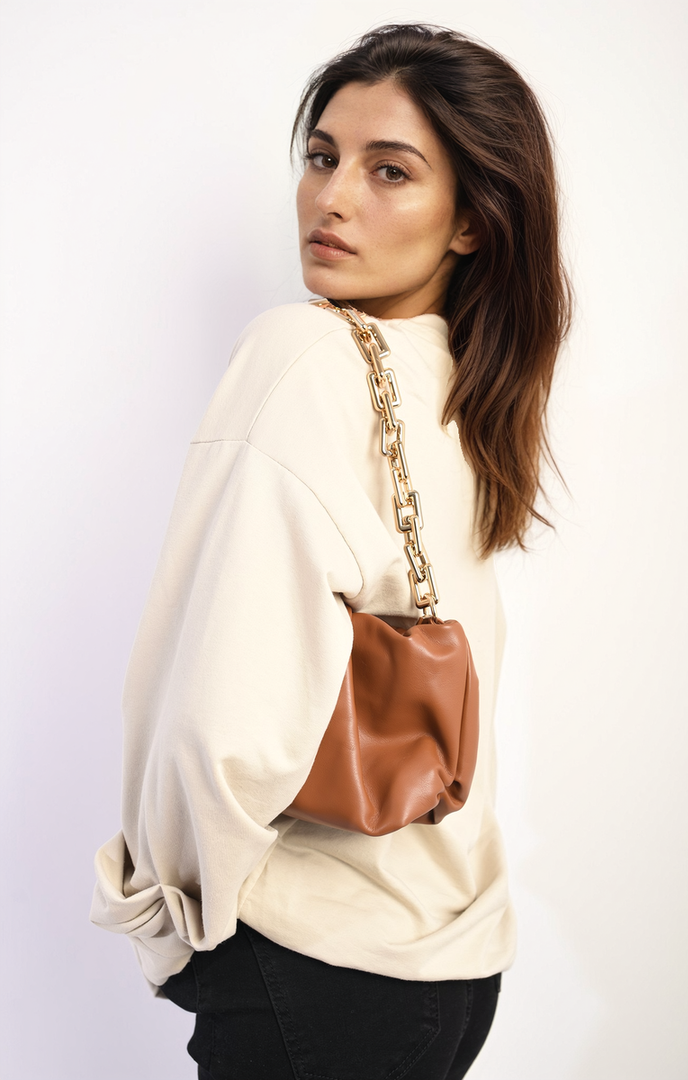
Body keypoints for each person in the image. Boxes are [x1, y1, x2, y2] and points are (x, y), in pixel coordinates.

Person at [91, 23, 571, 1080]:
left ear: (473, 223)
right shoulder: (473, 392)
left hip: (312, 970)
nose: (331, 197)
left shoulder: (302, 353)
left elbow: (222, 720)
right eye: (322, 156)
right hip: (452, 969)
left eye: (389, 170)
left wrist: (171, 922)